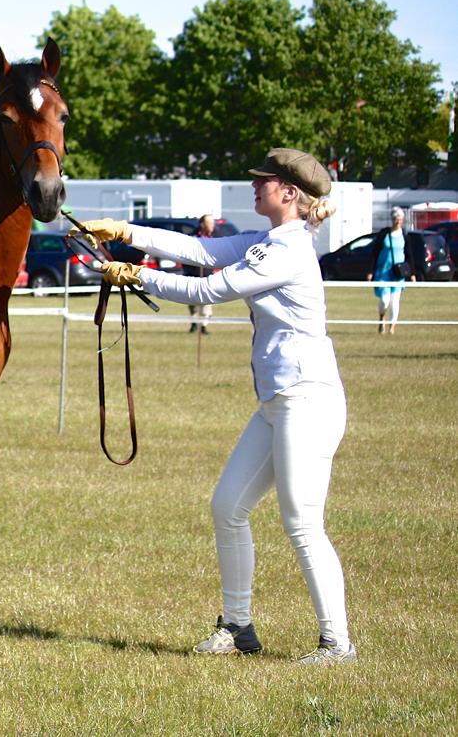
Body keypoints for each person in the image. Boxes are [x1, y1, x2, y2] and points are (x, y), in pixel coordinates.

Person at [80, 148, 356, 665]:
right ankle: (238, 626)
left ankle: (337, 642)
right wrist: (126, 230)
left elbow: (212, 287)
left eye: (265, 181)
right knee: (228, 506)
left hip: (307, 400)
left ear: (290, 194)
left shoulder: (287, 251)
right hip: (279, 402)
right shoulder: (265, 241)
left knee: (301, 523)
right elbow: (200, 249)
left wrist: (139, 277)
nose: (255, 187)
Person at [366, 207, 416, 335]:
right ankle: (382, 317)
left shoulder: (404, 235)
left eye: (400, 219)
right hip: (383, 272)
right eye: (395, 219)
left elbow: (409, 254)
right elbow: (375, 253)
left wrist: (412, 274)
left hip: (398, 273)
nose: (398, 221)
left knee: (395, 301)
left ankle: (392, 327)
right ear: (392, 219)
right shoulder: (384, 234)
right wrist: (370, 271)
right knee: (384, 300)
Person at [183, 215, 216, 333]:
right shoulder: (192, 238)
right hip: (193, 274)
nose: (212, 226)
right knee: (192, 302)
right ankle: (193, 323)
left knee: (206, 302)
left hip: (207, 276)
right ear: (202, 224)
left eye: (213, 223)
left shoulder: (215, 238)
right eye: (210, 223)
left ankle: (204, 325)